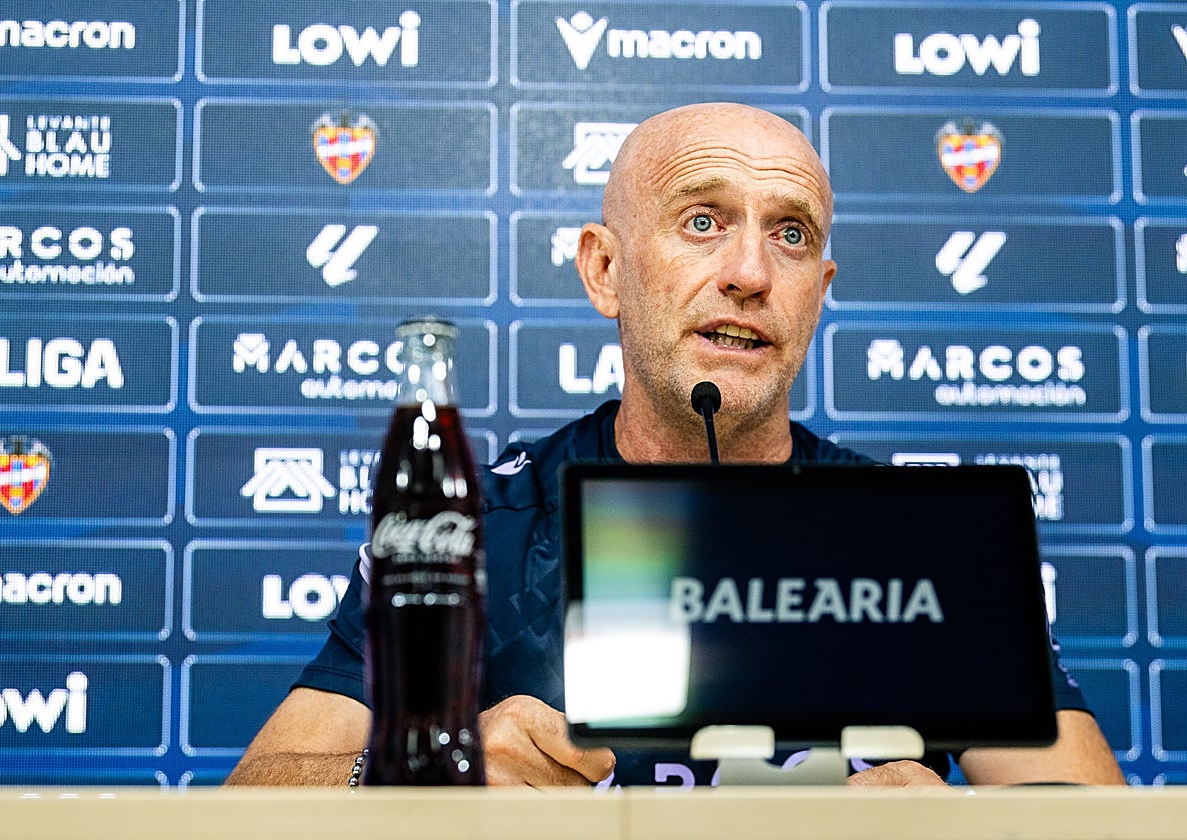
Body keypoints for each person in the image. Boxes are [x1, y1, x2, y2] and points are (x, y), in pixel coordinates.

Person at [226, 102, 1125, 788]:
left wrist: (961, 832)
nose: (748, 272)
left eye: (791, 234)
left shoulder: (924, 537)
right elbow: (245, 807)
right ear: (604, 270)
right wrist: (429, 774)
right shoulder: (479, 526)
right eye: (702, 221)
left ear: (820, 291)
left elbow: (1106, 824)